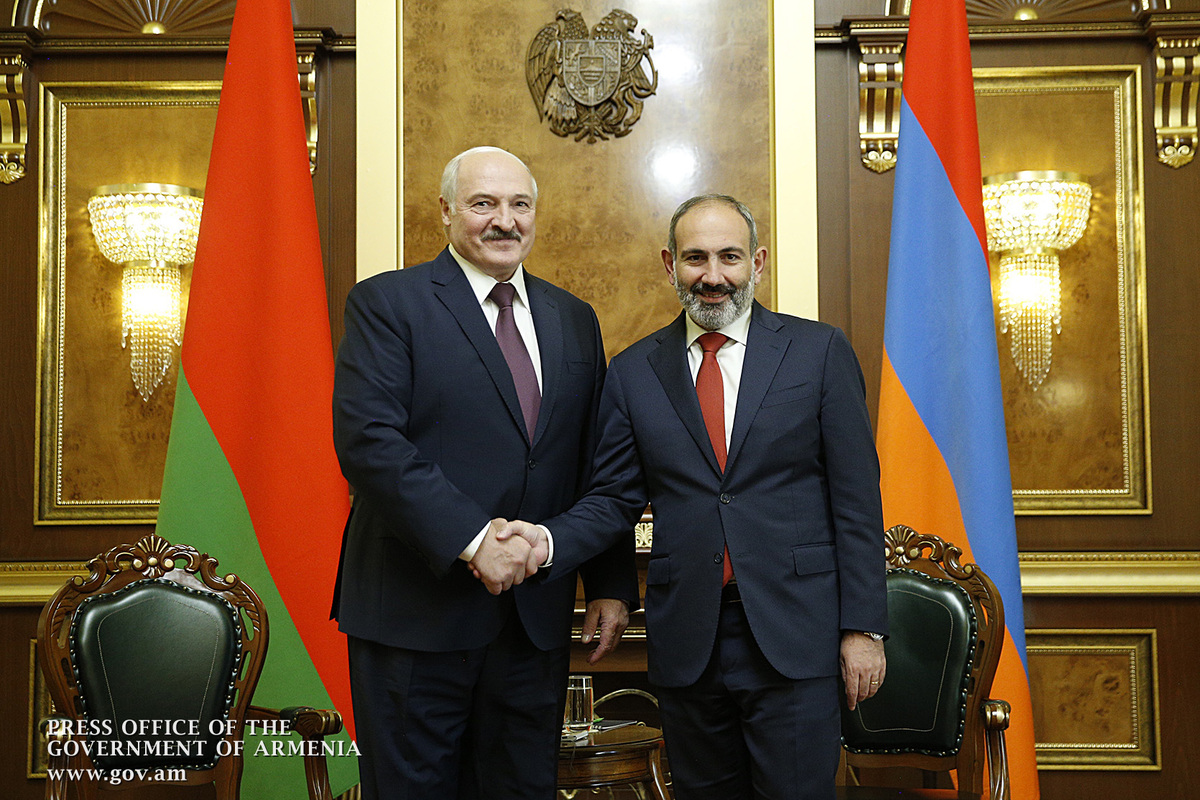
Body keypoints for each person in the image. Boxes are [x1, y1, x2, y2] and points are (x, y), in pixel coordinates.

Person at [499, 194, 888, 800]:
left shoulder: (819, 352)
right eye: (695, 258)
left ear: (758, 262)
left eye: (730, 257)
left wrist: (863, 628)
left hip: (797, 631)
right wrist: (549, 541)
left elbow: (857, 501)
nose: (713, 275)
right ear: (670, 264)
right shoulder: (633, 371)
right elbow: (613, 499)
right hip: (689, 637)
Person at [330, 146, 639, 800]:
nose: (505, 220)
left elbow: (592, 460)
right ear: (446, 211)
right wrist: (475, 541)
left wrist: (609, 582)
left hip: (533, 621)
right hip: (416, 613)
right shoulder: (388, 303)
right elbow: (369, 442)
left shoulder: (574, 318)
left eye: (519, 204)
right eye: (483, 204)